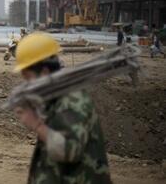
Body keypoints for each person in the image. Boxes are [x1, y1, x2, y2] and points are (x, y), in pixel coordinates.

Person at [12, 33, 112, 184]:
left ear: (44, 72)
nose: (26, 83)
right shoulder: (56, 96)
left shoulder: (72, 99)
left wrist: (36, 124)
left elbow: (71, 151)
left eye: (27, 76)